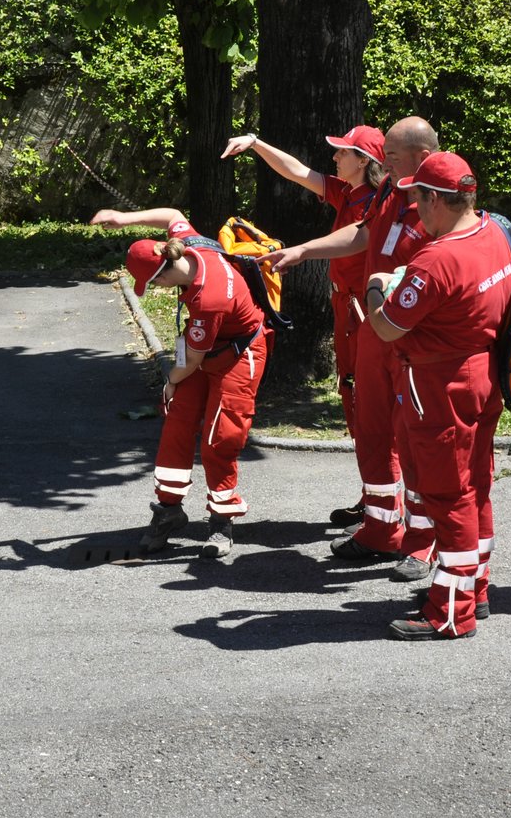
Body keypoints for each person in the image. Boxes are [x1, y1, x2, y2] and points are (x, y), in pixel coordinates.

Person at [266, 117, 439, 578]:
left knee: (413, 436)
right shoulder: (390, 192)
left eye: (393, 156)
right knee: (372, 423)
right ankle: (382, 529)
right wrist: (303, 251)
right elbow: (364, 235)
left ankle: (424, 540)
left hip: (410, 337)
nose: (385, 163)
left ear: (421, 157)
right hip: (373, 326)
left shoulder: (433, 199)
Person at [363, 153, 511, 640]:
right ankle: (475, 585)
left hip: (438, 384)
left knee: (448, 495)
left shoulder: (437, 259)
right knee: (476, 486)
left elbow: (386, 328)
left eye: (417, 198)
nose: (413, 208)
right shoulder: (495, 232)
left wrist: (375, 290)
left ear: (435, 199)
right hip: (481, 372)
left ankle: (452, 610)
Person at [221, 124, 385, 525]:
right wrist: (257, 143)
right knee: (353, 402)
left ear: (364, 160)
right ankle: (375, 499)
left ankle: (385, 509)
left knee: (370, 407)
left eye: (342, 152)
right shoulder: (348, 191)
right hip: (347, 311)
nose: (334, 158)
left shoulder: (378, 201)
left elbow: (358, 236)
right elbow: (297, 171)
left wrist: (301, 252)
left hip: (366, 315)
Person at [91, 207, 270, 559]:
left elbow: (190, 364)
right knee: (178, 422)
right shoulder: (187, 245)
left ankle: (222, 520)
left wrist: (170, 382)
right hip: (206, 348)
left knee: (221, 436)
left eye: (153, 283)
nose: (156, 289)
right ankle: (168, 511)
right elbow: (172, 213)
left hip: (239, 353)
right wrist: (123, 218)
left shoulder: (209, 298)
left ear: (164, 271)